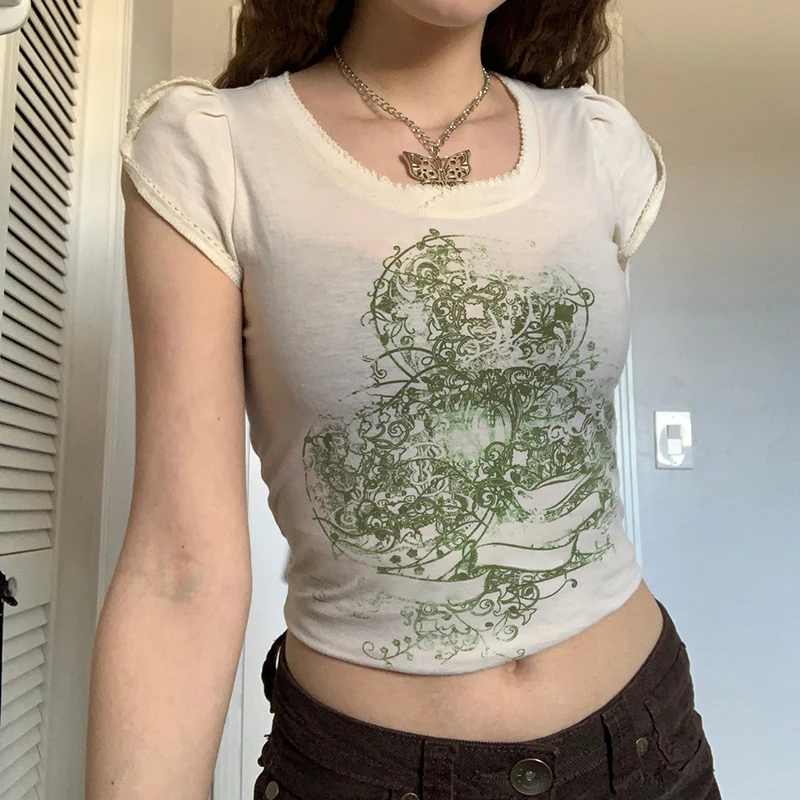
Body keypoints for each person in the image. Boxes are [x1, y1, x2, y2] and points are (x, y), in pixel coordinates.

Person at [86, 1, 722, 798]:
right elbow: (179, 575)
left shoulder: (597, 140)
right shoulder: (212, 150)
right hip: (369, 772)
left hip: (644, 745)